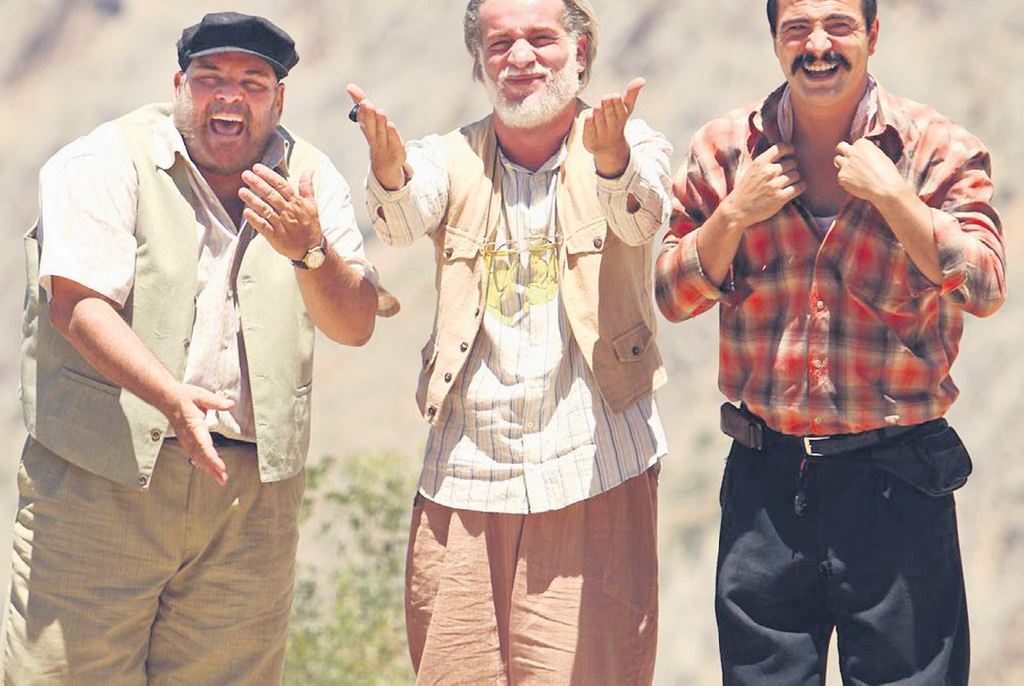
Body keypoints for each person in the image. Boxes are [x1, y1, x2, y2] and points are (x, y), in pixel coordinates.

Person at [5, 11, 390, 684]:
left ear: (278, 99)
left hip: (249, 501)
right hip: (102, 481)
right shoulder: (104, 159)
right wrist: (168, 397)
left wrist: (309, 251)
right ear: (179, 85)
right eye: (211, 78)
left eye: (252, 82)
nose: (229, 96)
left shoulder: (310, 179)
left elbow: (354, 324)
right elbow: (76, 303)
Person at [655, 0, 1006, 683]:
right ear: (775, 41)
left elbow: (986, 286)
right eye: (797, 29)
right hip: (765, 484)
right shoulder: (725, 153)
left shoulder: (937, 150)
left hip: (898, 480)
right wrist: (734, 215)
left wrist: (896, 200)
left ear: (872, 34)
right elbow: (671, 296)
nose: (818, 45)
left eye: (839, 26)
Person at [348, 0, 671, 681]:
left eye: (540, 39)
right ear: (480, 61)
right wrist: (388, 168)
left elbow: (640, 217)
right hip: (467, 474)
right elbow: (401, 220)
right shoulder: (448, 156)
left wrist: (611, 160)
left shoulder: (631, 143)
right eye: (499, 44)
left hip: (593, 467)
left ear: (580, 54)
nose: (520, 58)